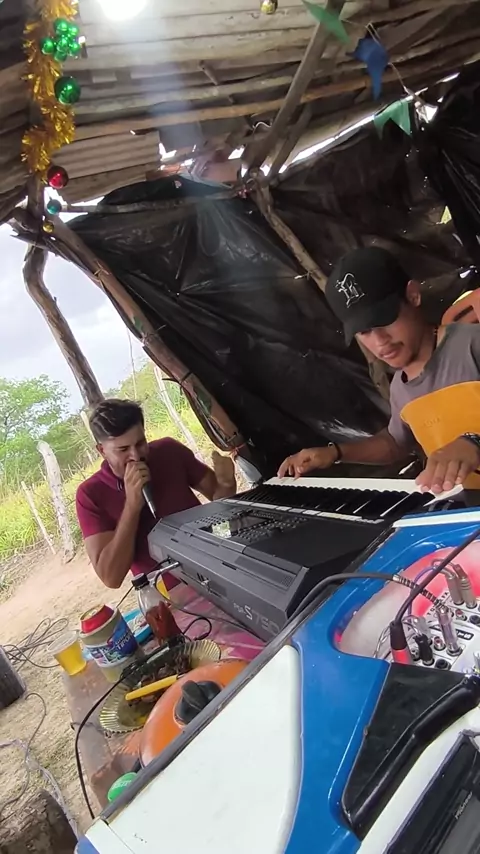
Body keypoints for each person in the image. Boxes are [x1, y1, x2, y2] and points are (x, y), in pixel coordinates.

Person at [278, 247, 480, 495]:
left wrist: (474, 442)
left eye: (385, 319)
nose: (380, 341)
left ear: (413, 295)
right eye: (364, 332)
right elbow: (395, 443)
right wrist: (335, 453)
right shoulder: (400, 388)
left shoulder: (472, 345)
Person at [76, 398, 236, 589]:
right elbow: (111, 578)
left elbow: (220, 506)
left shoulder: (168, 451)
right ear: (102, 450)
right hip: (168, 592)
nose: (136, 456)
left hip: (215, 567)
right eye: (123, 449)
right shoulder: (90, 494)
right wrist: (132, 507)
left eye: (140, 443)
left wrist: (227, 485)